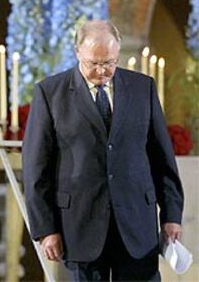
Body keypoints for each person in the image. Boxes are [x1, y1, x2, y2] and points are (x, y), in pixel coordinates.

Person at [22, 20, 184, 281]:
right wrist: (45, 229)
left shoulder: (143, 88)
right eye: (93, 64)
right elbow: (35, 169)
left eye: (110, 62)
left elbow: (162, 159)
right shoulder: (50, 93)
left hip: (136, 225)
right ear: (77, 52)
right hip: (79, 227)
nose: (102, 71)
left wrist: (171, 216)